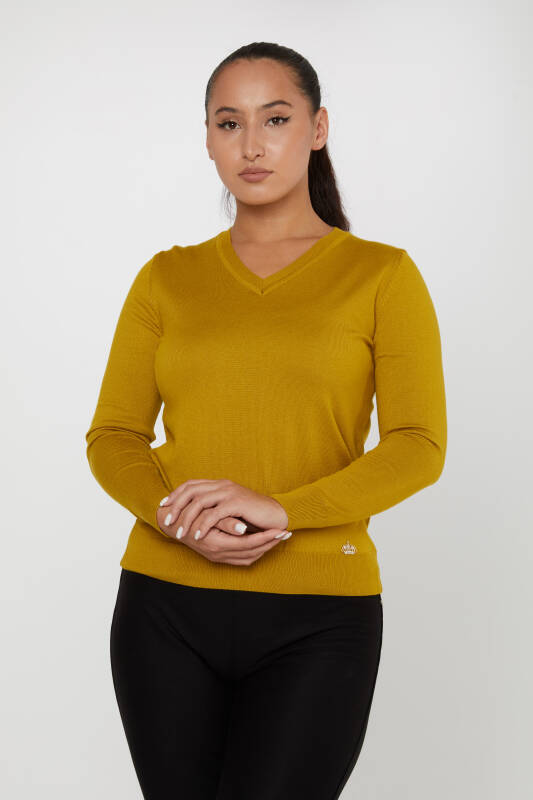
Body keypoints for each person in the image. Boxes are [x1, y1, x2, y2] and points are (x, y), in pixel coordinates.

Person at [85, 41, 447, 800]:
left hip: (320, 617)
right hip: (163, 610)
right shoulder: (166, 278)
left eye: (275, 119)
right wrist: (176, 517)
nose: (251, 145)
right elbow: (114, 434)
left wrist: (283, 508)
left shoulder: (381, 275)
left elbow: (417, 446)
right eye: (229, 123)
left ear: (317, 128)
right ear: (208, 138)